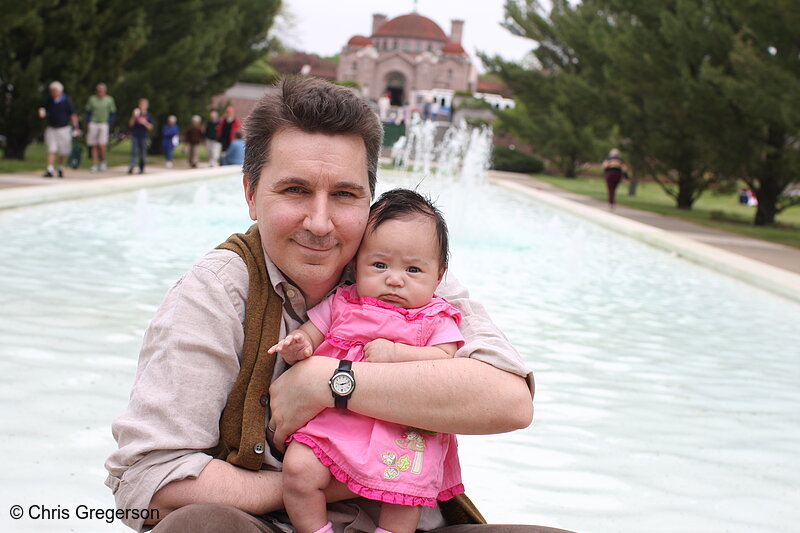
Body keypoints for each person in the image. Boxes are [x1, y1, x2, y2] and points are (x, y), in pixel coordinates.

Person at [105, 77, 572, 533]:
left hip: (408, 524)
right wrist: (324, 484)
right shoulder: (217, 293)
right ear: (250, 194)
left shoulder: (402, 276)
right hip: (271, 524)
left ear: (370, 202)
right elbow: (148, 483)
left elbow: (511, 402)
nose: (321, 222)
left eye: (345, 195)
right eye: (296, 190)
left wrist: (331, 382)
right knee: (201, 527)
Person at [269, 189, 465, 533]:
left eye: (414, 269)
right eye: (379, 264)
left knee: (403, 497)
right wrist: (299, 345)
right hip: (335, 422)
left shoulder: (435, 317)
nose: (394, 278)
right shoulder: (343, 302)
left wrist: (398, 353)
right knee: (298, 469)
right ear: (355, 263)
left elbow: (446, 361)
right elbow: (311, 333)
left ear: (439, 275)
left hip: (400, 428)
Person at [38, 80, 79, 178]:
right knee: (51, 149)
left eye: (55, 91)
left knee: (63, 150)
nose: (53, 93)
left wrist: (76, 127)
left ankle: (60, 168)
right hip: (52, 128)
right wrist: (41, 112)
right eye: (52, 91)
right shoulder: (49, 100)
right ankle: (50, 169)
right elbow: (44, 110)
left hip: (64, 129)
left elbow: (72, 114)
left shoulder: (66, 101)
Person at [85, 82, 117, 172]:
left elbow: (113, 112)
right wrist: (88, 121)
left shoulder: (109, 100)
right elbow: (88, 111)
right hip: (93, 123)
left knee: (102, 144)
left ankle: (103, 161)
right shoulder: (92, 99)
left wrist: (108, 122)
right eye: (99, 90)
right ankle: (94, 164)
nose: (100, 92)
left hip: (103, 123)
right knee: (93, 144)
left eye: (102, 90)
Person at [128, 98, 153, 174]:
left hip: (144, 136)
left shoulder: (148, 115)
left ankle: (141, 167)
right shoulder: (136, 114)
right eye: (141, 104)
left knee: (142, 153)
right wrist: (133, 117)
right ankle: (132, 166)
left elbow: (151, 127)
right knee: (134, 151)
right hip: (135, 135)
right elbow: (130, 124)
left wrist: (145, 123)